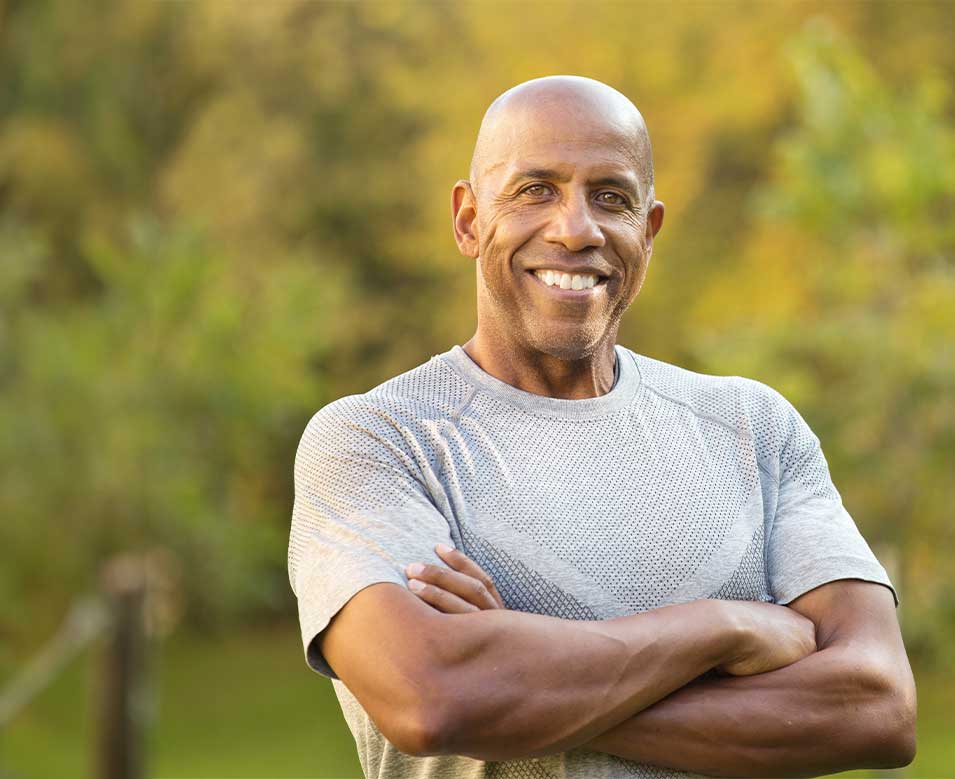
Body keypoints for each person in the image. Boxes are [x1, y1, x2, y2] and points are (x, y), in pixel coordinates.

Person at [287, 75, 916, 779]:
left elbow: (877, 708)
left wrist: (519, 672)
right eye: (534, 190)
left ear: (647, 232)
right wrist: (722, 627)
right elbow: (431, 700)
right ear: (467, 220)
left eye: (610, 198)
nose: (575, 228)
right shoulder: (378, 440)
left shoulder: (754, 428)